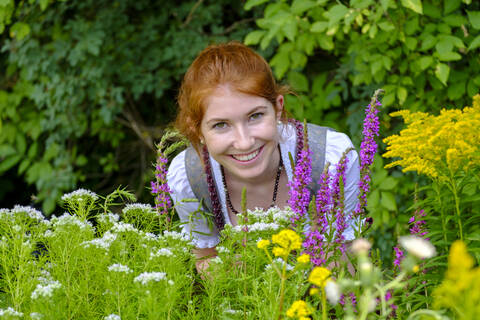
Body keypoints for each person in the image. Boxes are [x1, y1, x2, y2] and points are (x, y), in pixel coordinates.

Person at [166, 41, 360, 274]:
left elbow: (342, 258)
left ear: (278, 108)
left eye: (255, 116)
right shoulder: (189, 179)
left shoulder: (332, 159)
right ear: (197, 129)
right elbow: (207, 263)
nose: (244, 141)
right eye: (220, 125)